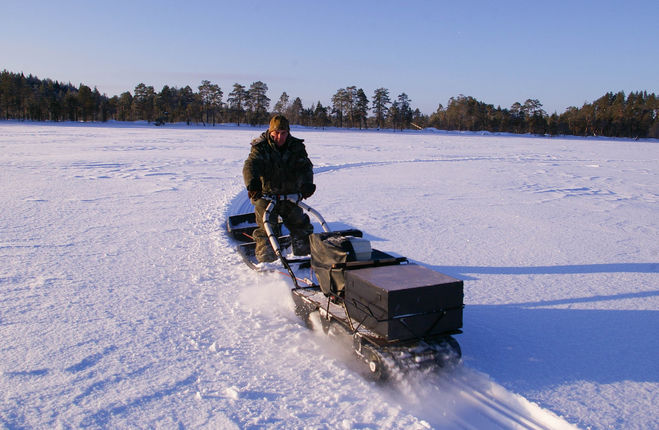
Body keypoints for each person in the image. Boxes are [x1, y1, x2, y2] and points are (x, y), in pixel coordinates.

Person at [242, 115, 316, 262]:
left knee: (300, 225)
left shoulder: (296, 147)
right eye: (276, 133)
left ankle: (306, 259)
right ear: (270, 132)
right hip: (266, 195)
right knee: (267, 228)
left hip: (290, 195)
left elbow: (305, 166)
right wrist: (253, 184)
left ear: (288, 133)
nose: (279, 137)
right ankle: (267, 263)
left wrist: (307, 184)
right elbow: (251, 165)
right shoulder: (261, 147)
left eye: (283, 133)